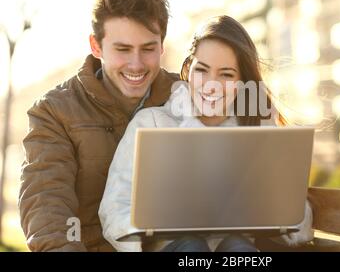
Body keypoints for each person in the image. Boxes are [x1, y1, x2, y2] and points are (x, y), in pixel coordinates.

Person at [99, 15, 314, 252]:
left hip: (233, 247)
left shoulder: (255, 130)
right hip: (172, 249)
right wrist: (151, 229)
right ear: (188, 69)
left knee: (238, 249)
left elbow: (298, 221)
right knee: (192, 247)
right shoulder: (150, 123)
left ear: (242, 81)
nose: (211, 84)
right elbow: (114, 208)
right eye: (202, 70)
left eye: (226, 74)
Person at [18, 0, 179, 252]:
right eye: (123, 49)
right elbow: (47, 205)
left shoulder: (187, 98)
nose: (136, 64)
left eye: (148, 49)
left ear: (162, 46)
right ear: (96, 46)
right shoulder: (55, 112)